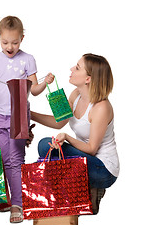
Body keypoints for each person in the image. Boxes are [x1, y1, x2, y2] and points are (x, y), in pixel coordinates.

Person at [0, 16, 54, 223]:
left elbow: (35, 90)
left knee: (16, 160)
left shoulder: (28, 59)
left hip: (20, 115)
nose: (10, 47)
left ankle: (18, 204)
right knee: (5, 160)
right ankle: (9, 199)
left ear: (22, 38)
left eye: (14, 42)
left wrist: (45, 82)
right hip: (0, 116)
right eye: (5, 42)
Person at [31, 53, 120, 214]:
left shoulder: (101, 108)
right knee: (45, 147)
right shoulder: (75, 95)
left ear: (88, 79)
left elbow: (92, 148)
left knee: (47, 146)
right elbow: (59, 122)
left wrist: (66, 137)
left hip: (103, 169)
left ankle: (92, 186)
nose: (72, 69)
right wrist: (29, 114)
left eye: (78, 68)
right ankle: (81, 191)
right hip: (83, 159)